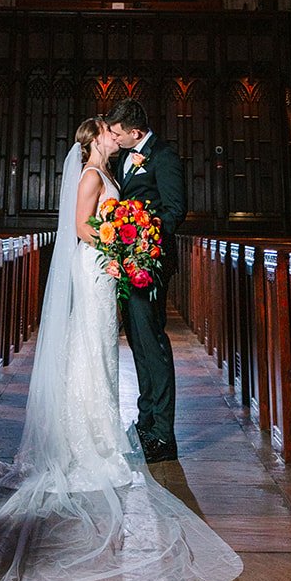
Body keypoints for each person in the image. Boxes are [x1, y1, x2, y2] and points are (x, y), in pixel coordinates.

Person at [0, 116, 241, 581]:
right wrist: (119, 243)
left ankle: (101, 433)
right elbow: (81, 227)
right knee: (90, 350)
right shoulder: (92, 175)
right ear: (97, 140)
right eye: (108, 132)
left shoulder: (112, 173)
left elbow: (121, 217)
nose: (113, 135)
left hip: (107, 271)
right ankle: (86, 441)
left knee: (102, 354)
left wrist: (125, 244)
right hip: (96, 270)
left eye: (116, 129)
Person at [106, 97, 186, 463]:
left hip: (149, 263)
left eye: (118, 132)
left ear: (135, 132)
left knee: (152, 343)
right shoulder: (123, 157)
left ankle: (163, 435)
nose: (114, 137)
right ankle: (146, 419)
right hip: (127, 264)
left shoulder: (164, 157)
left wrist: (145, 238)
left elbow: (174, 209)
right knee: (138, 343)